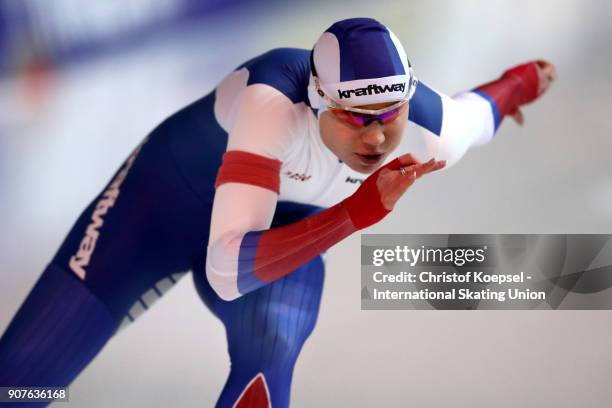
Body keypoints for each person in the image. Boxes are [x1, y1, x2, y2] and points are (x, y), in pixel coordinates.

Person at [0, 17, 556, 407]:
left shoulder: (428, 131)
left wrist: (522, 82)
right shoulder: (272, 107)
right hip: (158, 212)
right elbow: (228, 268)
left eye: (392, 111)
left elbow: (478, 113)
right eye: (357, 117)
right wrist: (357, 213)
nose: (380, 135)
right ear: (316, 101)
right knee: (21, 387)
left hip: (275, 225)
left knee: (271, 347)